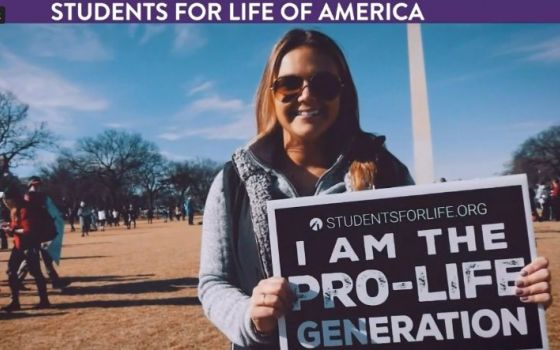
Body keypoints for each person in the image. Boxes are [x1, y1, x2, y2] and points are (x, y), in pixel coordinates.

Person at [197, 29, 553, 349]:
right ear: (270, 94)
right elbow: (214, 282)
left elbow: (429, 274)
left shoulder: (387, 170)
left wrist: (511, 286)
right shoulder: (233, 181)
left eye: (323, 84)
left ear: (343, 93)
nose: (307, 96)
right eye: (289, 85)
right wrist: (250, 315)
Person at [1, 186, 50, 311]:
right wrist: (9, 229)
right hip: (18, 245)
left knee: (36, 273)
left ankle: (44, 300)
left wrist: (12, 229)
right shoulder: (14, 210)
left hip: (29, 245)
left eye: (6, 200)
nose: (5, 202)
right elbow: (15, 229)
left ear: (13, 199)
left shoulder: (25, 209)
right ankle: (15, 301)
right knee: (11, 272)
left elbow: (29, 230)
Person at [17, 176, 70, 290]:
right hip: (33, 231)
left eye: (38, 185)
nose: (37, 186)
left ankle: (55, 281)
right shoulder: (28, 197)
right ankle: (16, 280)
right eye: (35, 185)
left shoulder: (42, 196)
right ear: (30, 185)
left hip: (43, 231)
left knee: (46, 256)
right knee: (30, 259)